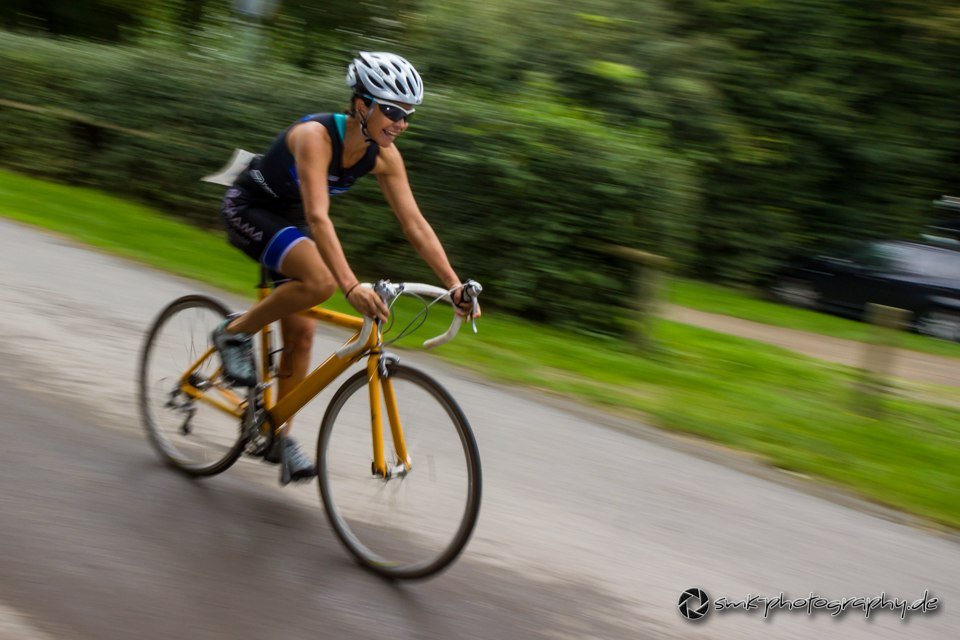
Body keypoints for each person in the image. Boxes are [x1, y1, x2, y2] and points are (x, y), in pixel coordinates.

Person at [214, 51, 476, 481]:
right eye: (392, 111)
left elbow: (414, 224)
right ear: (361, 105)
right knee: (321, 282)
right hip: (250, 208)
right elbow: (319, 218)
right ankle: (232, 333)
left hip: (290, 220)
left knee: (302, 338)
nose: (401, 123)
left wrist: (453, 285)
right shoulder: (315, 137)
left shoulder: (384, 156)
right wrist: (351, 285)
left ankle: (275, 435)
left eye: (408, 115)